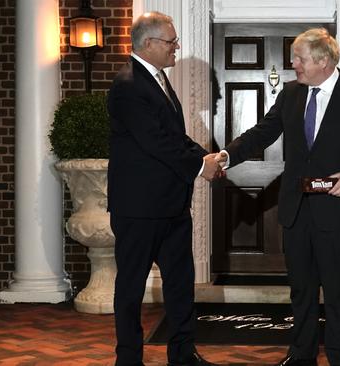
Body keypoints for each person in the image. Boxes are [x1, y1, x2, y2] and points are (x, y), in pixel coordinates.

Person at [216, 28, 340, 366]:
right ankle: (301, 355)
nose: (293, 64)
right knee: (301, 290)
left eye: (299, 58)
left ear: (323, 60)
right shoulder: (291, 94)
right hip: (296, 210)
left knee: (337, 291)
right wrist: (227, 156)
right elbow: (262, 133)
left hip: (338, 212)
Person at [107, 11, 219, 366]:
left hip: (172, 206)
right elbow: (156, 143)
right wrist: (202, 167)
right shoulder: (128, 86)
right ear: (149, 44)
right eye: (171, 42)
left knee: (180, 286)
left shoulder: (157, 80)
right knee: (130, 288)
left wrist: (207, 156)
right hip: (138, 210)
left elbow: (175, 138)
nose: (177, 47)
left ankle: (183, 356)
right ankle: (128, 359)